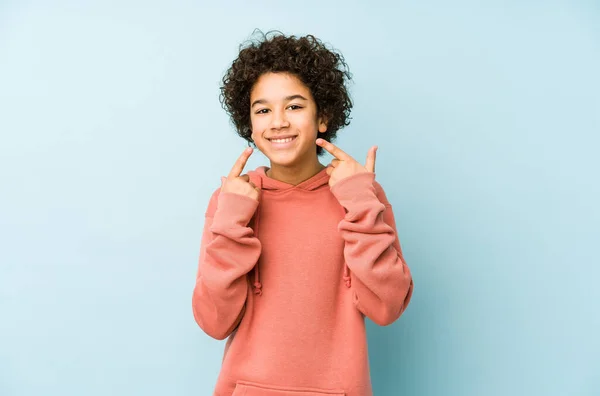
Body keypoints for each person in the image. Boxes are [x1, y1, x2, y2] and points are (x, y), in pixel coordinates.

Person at [192, 30, 414, 396]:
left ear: (322, 115)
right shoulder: (230, 199)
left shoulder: (360, 194)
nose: (278, 121)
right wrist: (231, 222)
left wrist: (361, 203)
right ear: (250, 125)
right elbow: (214, 321)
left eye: (294, 106)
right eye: (263, 110)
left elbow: (387, 307)